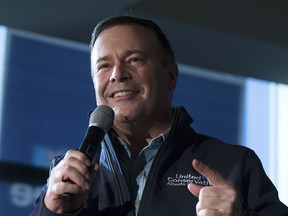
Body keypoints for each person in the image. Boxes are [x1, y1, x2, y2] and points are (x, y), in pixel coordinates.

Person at [30, 15, 288, 216]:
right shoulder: (65, 175)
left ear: (171, 76)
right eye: (104, 65)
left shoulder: (234, 164)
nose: (117, 74)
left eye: (134, 60)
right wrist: (52, 210)